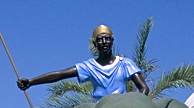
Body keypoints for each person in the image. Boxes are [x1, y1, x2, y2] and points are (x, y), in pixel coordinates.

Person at [17, 25, 149, 99]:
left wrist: (136, 103)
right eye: (100, 39)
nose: (104, 43)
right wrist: (31, 82)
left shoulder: (125, 64)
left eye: (107, 39)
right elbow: (60, 74)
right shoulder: (89, 66)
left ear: (112, 41)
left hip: (123, 107)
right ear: (94, 43)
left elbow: (143, 87)